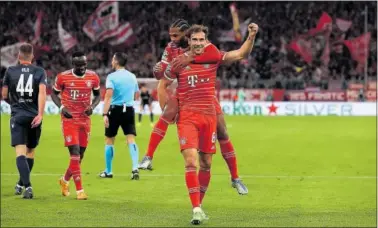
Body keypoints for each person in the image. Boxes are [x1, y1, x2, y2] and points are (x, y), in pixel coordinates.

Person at [159, 23, 258, 224]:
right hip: (187, 115)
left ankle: (203, 203)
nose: (198, 43)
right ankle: (195, 208)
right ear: (189, 41)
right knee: (191, 161)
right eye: (194, 39)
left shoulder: (213, 55)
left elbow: (240, 54)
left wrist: (251, 36)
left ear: (206, 41)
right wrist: (168, 108)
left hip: (208, 114)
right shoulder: (180, 60)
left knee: (207, 162)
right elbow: (164, 82)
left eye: (201, 39)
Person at [139, 19, 249, 195]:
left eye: (176, 35)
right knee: (168, 112)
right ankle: (148, 157)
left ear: (186, 34)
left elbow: (228, 56)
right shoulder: (170, 49)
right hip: (185, 93)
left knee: (223, 133)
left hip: (205, 96)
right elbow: (163, 77)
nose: (172, 38)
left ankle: (235, 177)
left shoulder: (204, 45)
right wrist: (158, 73)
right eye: (170, 35)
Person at [51, 51, 101, 200]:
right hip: (69, 119)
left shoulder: (93, 77)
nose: (82, 68)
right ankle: (80, 191)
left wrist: (93, 106)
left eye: (84, 64)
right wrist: (61, 108)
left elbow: (98, 95)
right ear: (73, 64)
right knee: (75, 152)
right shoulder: (62, 77)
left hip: (85, 119)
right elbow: (54, 94)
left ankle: (64, 180)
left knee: (80, 155)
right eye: (79, 65)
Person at [1, 43, 47, 199]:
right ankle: (22, 184)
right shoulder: (40, 71)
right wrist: (40, 114)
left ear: (18, 57)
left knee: (20, 153)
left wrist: (16, 104)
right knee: (30, 152)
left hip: (18, 116)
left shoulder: (10, 71)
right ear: (32, 57)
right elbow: (42, 93)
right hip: (34, 116)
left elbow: (4, 94)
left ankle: (25, 185)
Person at [99, 52, 140, 180]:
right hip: (128, 109)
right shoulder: (132, 76)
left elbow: (108, 95)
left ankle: (108, 171)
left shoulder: (111, 77)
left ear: (116, 61)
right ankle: (134, 168)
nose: (111, 62)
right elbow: (136, 94)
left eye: (112, 60)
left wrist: (105, 114)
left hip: (115, 110)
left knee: (109, 139)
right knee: (131, 139)